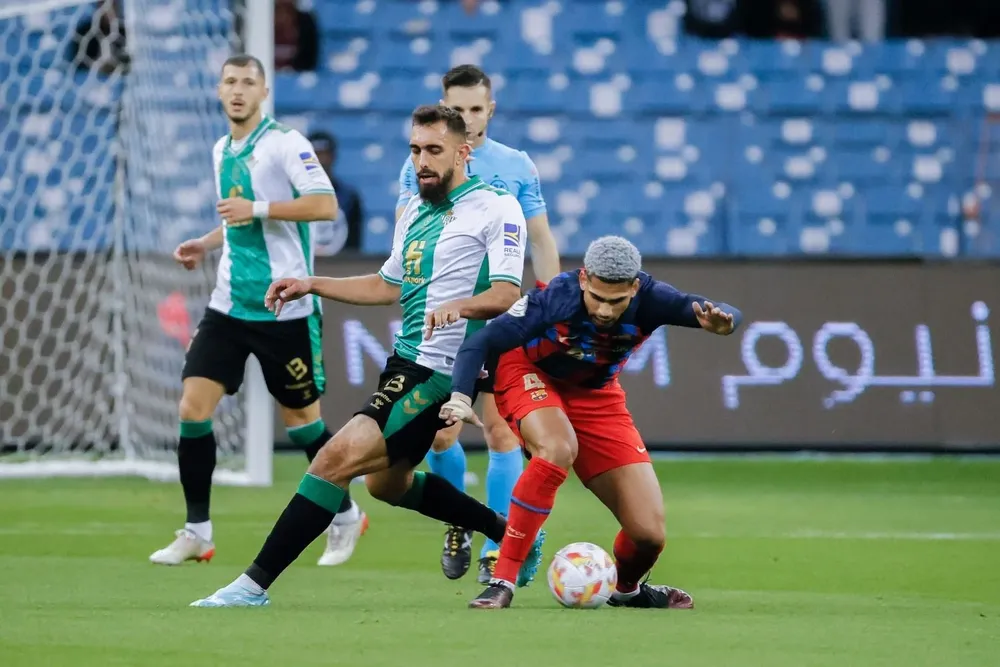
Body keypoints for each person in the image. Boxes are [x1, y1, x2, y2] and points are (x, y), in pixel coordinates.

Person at [189, 104, 546, 608]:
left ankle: (251, 586)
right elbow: (385, 286)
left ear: (464, 152)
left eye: (434, 150)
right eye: (415, 150)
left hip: (444, 369)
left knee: (333, 459)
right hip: (405, 361)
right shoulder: (417, 213)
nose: (421, 161)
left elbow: (509, 292)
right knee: (386, 485)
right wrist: (311, 283)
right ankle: (508, 532)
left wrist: (459, 306)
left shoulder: (496, 206)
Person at [440, 236, 744, 609]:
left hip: (597, 396)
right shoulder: (555, 297)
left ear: (634, 287)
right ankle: (502, 580)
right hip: (529, 374)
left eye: (616, 302)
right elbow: (480, 343)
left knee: (648, 534)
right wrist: (460, 395)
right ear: (584, 279)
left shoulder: (653, 298)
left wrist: (725, 324)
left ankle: (626, 589)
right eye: (597, 297)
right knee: (556, 447)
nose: (603, 310)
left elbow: (718, 310)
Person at [150, 54, 367, 569]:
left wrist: (259, 209)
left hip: (283, 308)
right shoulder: (221, 149)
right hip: (228, 304)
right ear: (219, 91)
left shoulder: (286, 144)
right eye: (230, 81)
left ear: (263, 91)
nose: (239, 90)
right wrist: (206, 243)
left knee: (302, 425)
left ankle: (346, 512)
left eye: (249, 81)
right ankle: (198, 531)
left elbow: (324, 205)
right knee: (192, 409)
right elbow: (239, 221)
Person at [397, 64, 561, 584]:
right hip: (442, 321)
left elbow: (540, 239)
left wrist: (550, 308)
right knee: (442, 436)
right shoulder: (423, 164)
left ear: (490, 109)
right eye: (457, 109)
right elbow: (409, 243)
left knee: (500, 433)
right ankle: (458, 523)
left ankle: (498, 545)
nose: (467, 118)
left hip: (499, 314)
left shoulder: (516, 165)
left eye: (475, 109)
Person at [308, 131, 364, 254]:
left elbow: (354, 248)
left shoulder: (349, 197)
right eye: (314, 154)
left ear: (333, 156)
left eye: (324, 154)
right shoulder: (294, 196)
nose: (320, 160)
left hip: (339, 269)